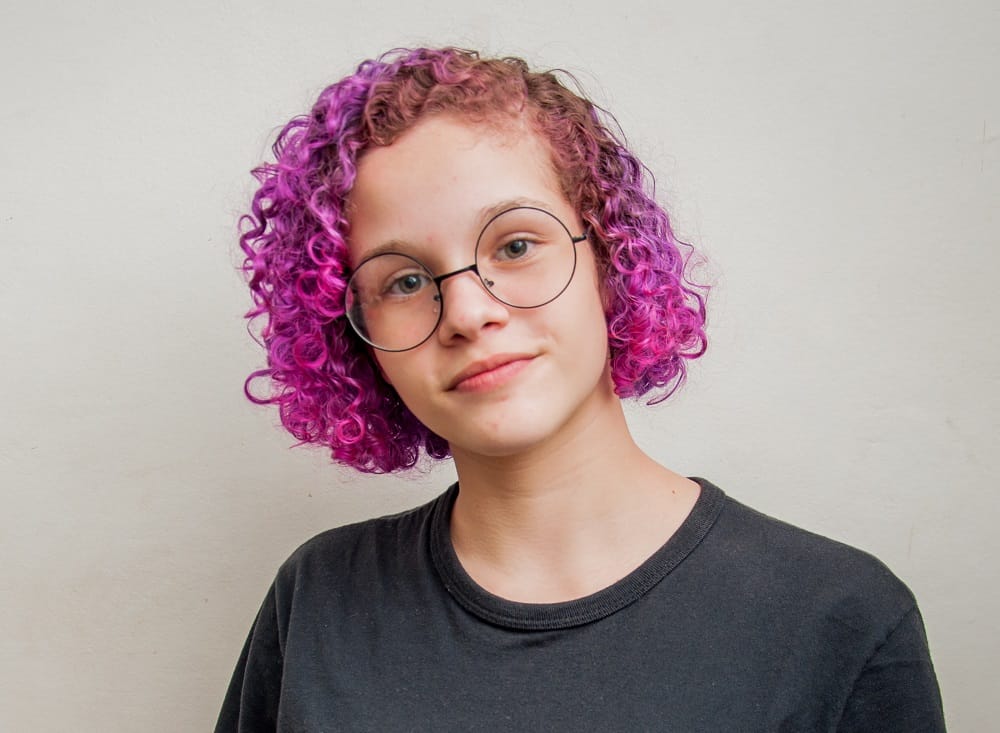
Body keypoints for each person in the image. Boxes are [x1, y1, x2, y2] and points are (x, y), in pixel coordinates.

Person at [216, 47, 945, 731]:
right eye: (404, 281)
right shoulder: (317, 602)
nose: (469, 312)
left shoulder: (838, 617)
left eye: (515, 245)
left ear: (609, 254)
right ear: (356, 339)